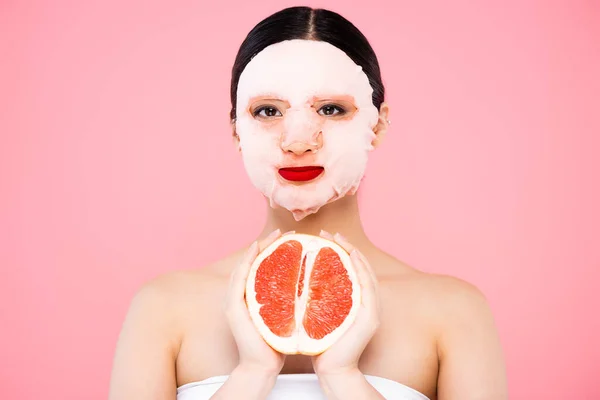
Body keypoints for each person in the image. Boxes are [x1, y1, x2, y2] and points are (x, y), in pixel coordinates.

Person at [108, 6, 508, 400]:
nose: (298, 140)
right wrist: (252, 373)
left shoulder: (455, 313)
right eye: (267, 111)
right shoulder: (163, 309)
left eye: (331, 109)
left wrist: (343, 377)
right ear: (236, 132)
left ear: (378, 125)